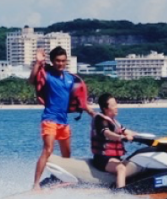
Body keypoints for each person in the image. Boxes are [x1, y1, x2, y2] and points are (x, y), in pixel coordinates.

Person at [30, 45, 95, 189]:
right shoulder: (47, 75)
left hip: (63, 121)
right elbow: (32, 80)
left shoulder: (70, 79)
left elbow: (80, 100)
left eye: (63, 61)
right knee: (48, 149)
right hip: (49, 118)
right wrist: (38, 63)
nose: (60, 63)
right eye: (58, 61)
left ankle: (62, 180)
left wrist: (91, 113)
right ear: (53, 61)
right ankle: (35, 185)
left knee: (67, 156)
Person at [90, 93, 141, 189]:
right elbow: (107, 133)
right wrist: (121, 137)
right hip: (102, 158)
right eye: (113, 105)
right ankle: (120, 195)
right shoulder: (100, 120)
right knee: (121, 168)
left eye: (116, 104)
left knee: (135, 162)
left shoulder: (114, 122)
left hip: (114, 158)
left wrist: (144, 137)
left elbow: (128, 131)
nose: (116, 107)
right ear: (105, 108)